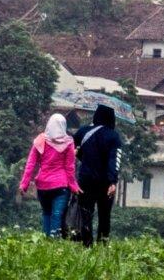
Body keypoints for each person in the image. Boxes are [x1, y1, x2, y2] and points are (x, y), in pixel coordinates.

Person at [19, 113, 81, 238]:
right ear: (64, 125)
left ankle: (47, 241)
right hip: (61, 186)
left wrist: (24, 184)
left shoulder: (40, 140)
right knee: (57, 214)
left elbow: (30, 164)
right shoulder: (68, 142)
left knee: (46, 213)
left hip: (43, 186)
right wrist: (74, 187)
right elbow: (70, 168)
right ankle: (54, 241)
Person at [74, 104, 123, 247]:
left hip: (85, 179)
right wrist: (113, 182)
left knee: (86, 213)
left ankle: (86, 244)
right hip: (105, 182)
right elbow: (115, 160)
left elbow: (74, 149)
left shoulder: (83, 132)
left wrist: (85, 158)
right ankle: (102, 243)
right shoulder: (113, 136)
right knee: (104, 214)